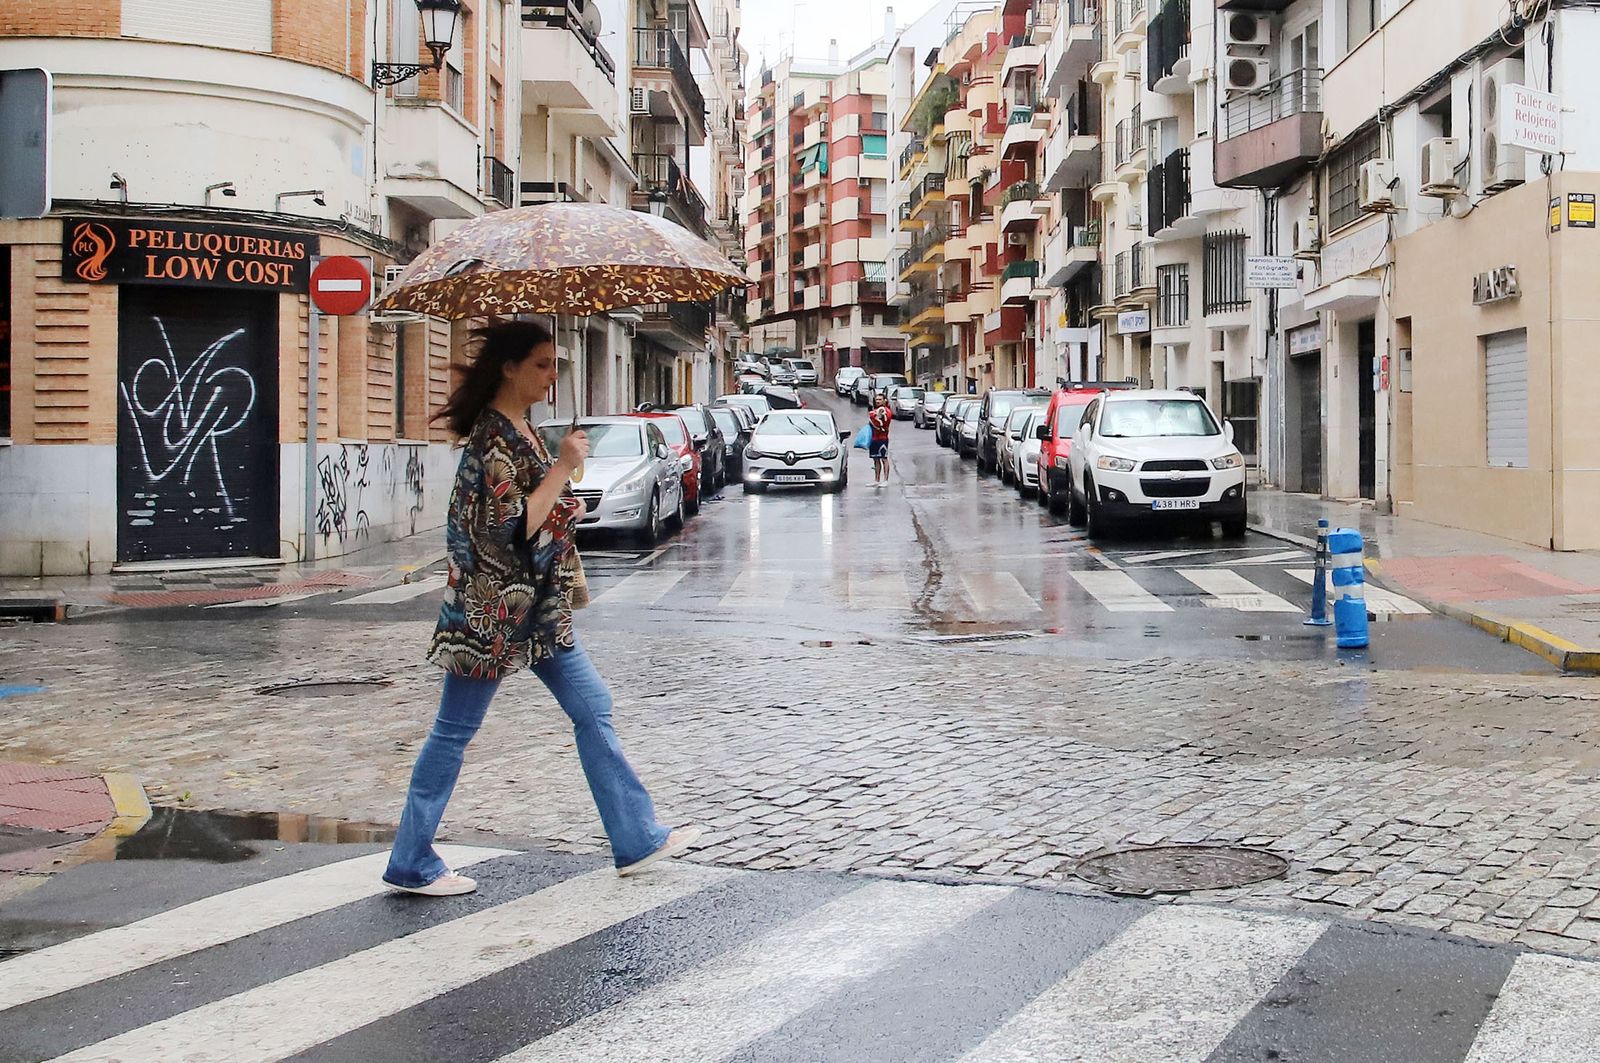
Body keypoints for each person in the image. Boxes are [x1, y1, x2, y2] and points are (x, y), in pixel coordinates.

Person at [383, 320, 699, 897]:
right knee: (454, 731)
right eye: (542, 364)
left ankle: (636, 840)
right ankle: (410, 859)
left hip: (535, 610)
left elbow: (536, 515)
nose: (554, 375)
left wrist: (564, 503)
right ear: (509, 368)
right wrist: (560, 467)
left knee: (593, 707)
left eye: (557, 365)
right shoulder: (493, 437)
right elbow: (510, 530)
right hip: (492, 612)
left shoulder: (518, 429)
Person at [868, 393, 893, 486]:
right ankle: (877, 480)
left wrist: (879, 416)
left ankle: (886, 480)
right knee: (875, 459)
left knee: (884, 458)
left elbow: (884, 420)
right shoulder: (874, 410)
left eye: (880, 399)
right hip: (873, 438)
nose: (878, 401)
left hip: (882, 438)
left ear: (884, 400)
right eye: (877, 399)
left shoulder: (886, 411)